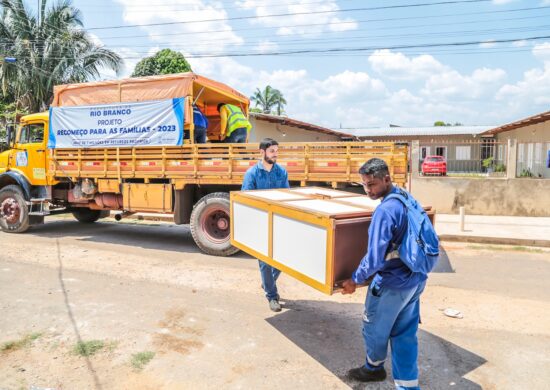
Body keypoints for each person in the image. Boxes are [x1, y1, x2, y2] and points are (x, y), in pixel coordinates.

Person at [341, 158, 430, 390]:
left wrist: (354, 280)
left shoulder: (385, 211)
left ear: (387, 179)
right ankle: (408, 386)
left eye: (371, 185)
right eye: (364, 185)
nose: (367, 190)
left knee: (374, 328)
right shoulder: (406, 198)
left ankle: (373, 369)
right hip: (415, 280)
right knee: (404, 334)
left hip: (392, 285)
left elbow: (374, 259)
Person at [241, 138, 289, 312]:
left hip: (278, 221)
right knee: (265, 262)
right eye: (272, 151)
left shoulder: (282, 172)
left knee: (283, 258)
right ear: (262, 152)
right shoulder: (252, 173)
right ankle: (272, 296)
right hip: (260, 222)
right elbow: (246, 199)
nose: (275, 154)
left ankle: (267, 282)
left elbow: (286, 197)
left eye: (276, 150)